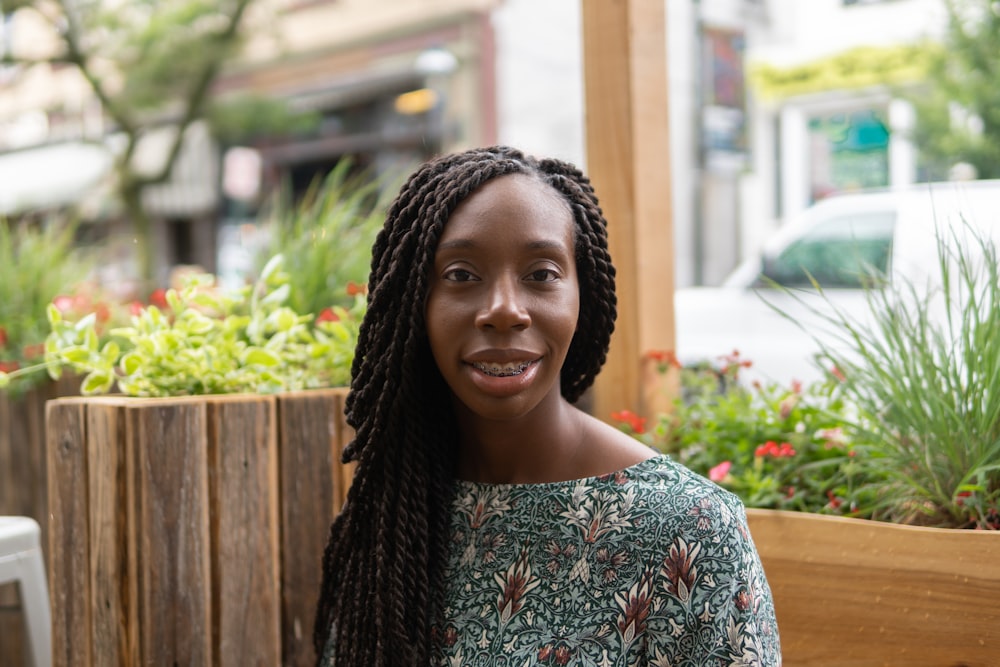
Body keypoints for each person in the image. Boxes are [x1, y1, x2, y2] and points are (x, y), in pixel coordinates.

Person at [314, 146, 781, 666]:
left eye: (541, 274)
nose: (504, 311)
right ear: (412, 303)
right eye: (462, 275)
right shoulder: (391, 512)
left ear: (583, 294)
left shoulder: (688, 529)